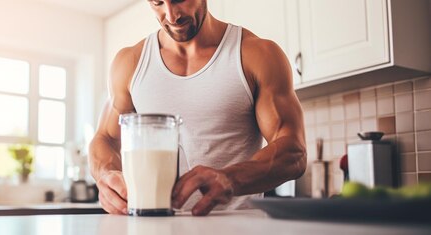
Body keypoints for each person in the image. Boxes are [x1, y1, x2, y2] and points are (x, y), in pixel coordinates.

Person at [89, 0, 307, 216]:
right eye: (158, 3)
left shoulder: (257, 54)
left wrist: (230, 178)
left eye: (178, 0)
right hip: (153, 226)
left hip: (237, 227)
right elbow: (105, 138)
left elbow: (294, 152)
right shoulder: (130, 62)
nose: (171, 16)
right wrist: (106, 175)